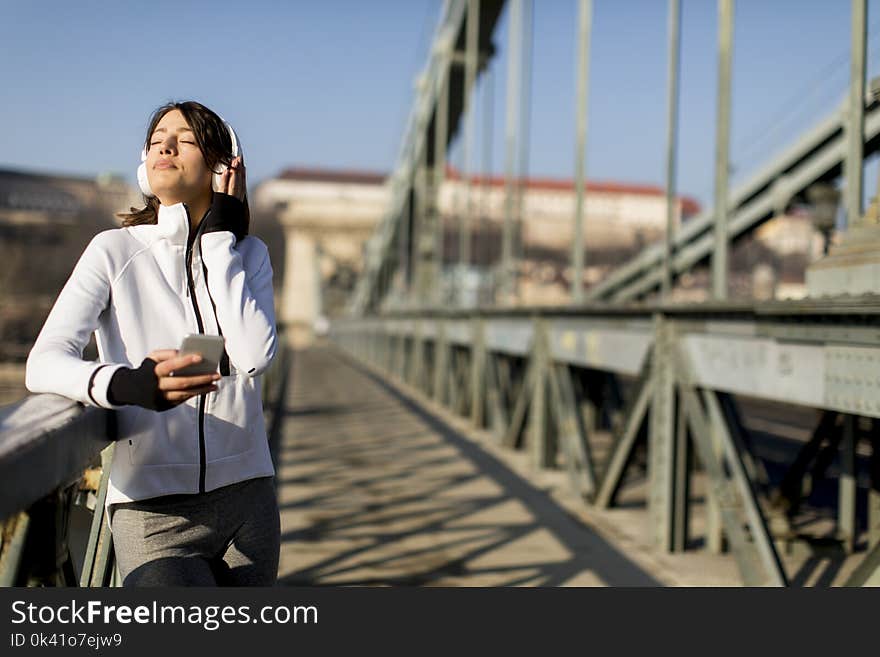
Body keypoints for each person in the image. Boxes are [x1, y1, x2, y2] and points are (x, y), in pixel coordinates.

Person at [25, 100, 280, 586]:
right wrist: (129, 384)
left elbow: (253, 355)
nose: (164, 145)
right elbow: (42, 363)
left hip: (250, 503)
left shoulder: (250, 255)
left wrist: (217, 242)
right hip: (153, 511)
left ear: (222, 166)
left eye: (184, 139)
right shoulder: (113, 249)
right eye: (157, 137)